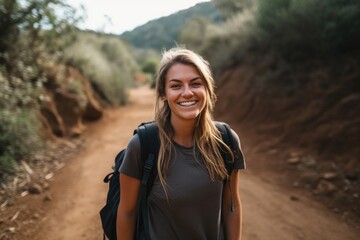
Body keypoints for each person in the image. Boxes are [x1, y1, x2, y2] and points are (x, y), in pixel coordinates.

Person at [117, 47, 246, 240]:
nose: (187, 93)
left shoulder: (225, 140)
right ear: (163, 93)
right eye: (176, 86)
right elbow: (127, 213)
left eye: (195, 84)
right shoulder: (142, 146)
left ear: (207, 89)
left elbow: (231, 206)